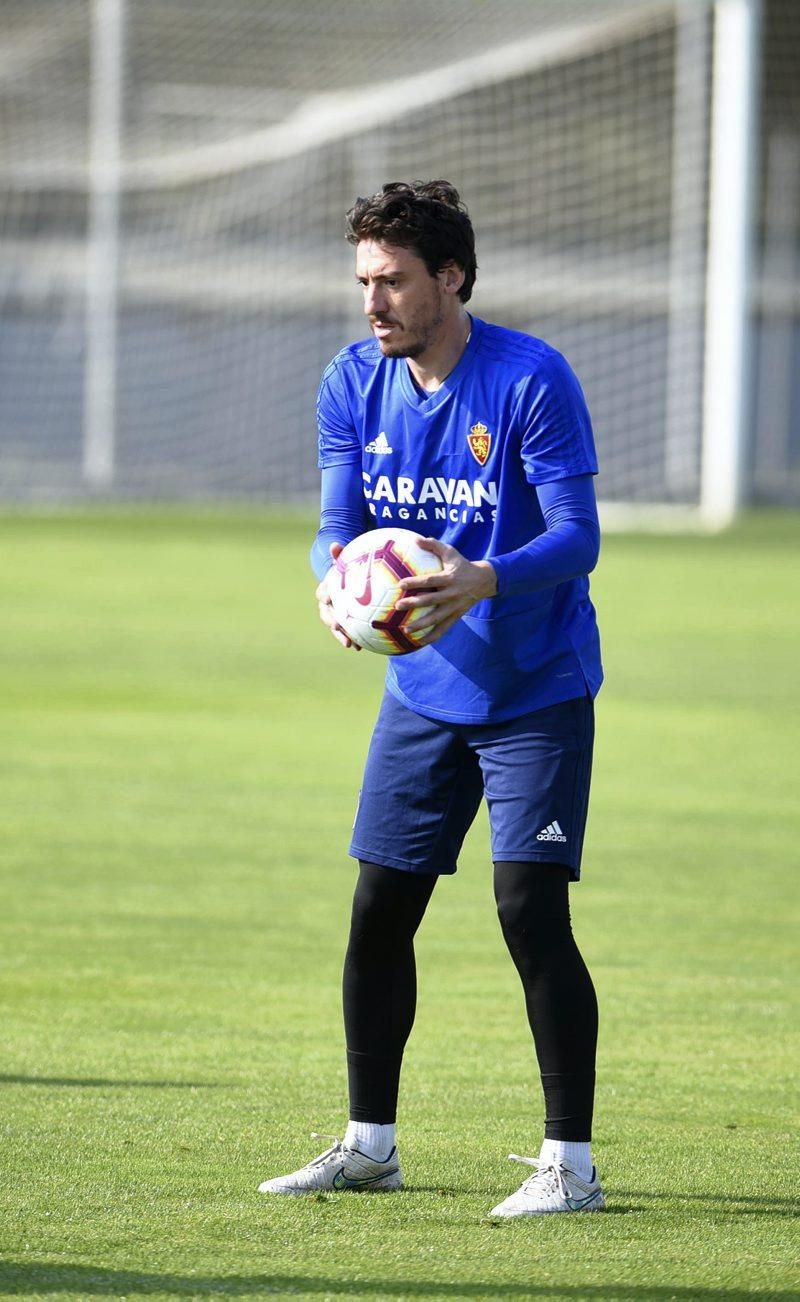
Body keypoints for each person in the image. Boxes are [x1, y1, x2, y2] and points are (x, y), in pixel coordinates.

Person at [259, 180, 605, 1217]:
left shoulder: (528, 379)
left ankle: (569, 1167)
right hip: (420, 692)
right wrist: (342, 583)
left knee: (526, 909)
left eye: (393, 281)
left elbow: (578, 536)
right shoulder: (349, 382)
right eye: (364, 280)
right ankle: (369, 1145)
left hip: (533, 688)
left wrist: (480, 578)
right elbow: (335, 523)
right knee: (378, 909)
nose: (373, 303)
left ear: (448, 277)